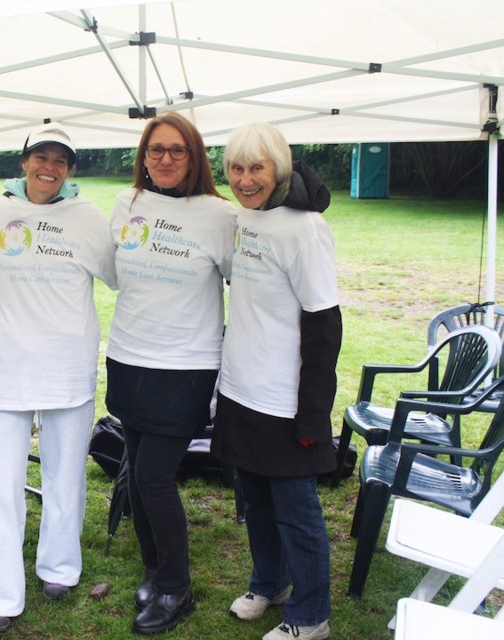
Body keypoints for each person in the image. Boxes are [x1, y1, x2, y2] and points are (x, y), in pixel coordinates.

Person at [0, 122, 117, 634]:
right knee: (3, 485)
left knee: (65, 477)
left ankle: (59, 567)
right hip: (3, 373)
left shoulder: (88, 218)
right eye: (40, 157)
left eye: (59, 160)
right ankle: (0, 595)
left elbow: (121, 274)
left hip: (67, 370)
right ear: (24, 161)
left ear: (70, 169)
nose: (48, 167)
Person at [104, 112, 237, 635]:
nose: (164, 159)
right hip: (128, 355)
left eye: (177, 150)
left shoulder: (219, 215)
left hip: (185, 366)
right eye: (155, 149)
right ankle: (155, 570)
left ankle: (175, 588)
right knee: (135, 471)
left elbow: (241, 285)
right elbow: (115, 275)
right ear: (143, 155)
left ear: (195, 156)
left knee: (156, 478)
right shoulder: (126, 203)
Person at [211, 122, 342, 640]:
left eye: (256, 168)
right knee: (255, 502)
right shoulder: (247, 217)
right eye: (237, 169)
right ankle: (270, 583)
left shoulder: (304, 228)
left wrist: (313, 410)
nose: (245, 180)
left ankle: (311, 615)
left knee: (297, 512)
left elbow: (324, 323)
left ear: (280, 168)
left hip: (284, 400)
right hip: (242, 389)